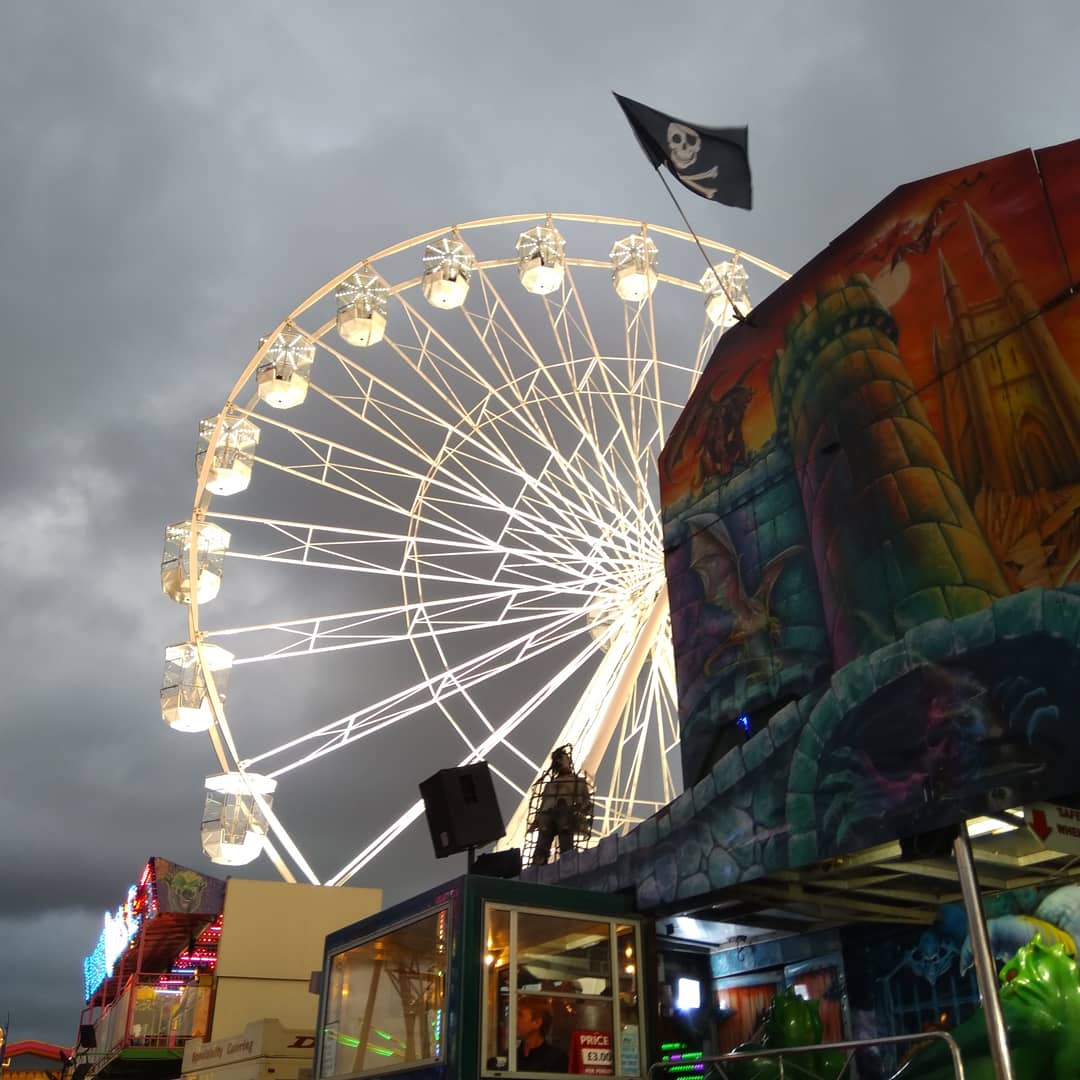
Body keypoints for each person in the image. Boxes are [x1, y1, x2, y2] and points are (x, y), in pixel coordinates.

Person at [529, 746, 592, 866]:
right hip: (547, 816)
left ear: (568, 761)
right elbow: (543, 804)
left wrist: (581, 810)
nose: (559, 762)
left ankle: (567, 865)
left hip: (565, 814)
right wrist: (536, 821)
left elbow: (586, 802)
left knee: (565, 842)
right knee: (541, 846)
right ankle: (537, 867)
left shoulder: (577, 781)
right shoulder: (549, 785)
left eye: (561, 759)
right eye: (557, 760)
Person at [517, 997, 569, 1073]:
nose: (514, 1019)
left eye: (519, 1015)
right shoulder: (509, 1057)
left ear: (537, 1022)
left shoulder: (557, 1059)